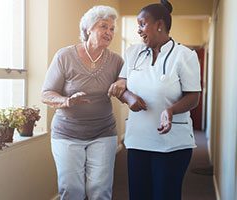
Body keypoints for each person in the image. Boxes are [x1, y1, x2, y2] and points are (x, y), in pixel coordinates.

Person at [108, 0, 201, 199]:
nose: (139, 31)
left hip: (172, 143)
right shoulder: (133, 52)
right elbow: (120, 85)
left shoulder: (185, 55)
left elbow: (193, 97)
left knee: (165, 195)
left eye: (142, 24)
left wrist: (171, 110)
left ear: (159, 25)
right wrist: (128, 97)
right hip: (138, 141)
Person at [41, 5, 124, 200]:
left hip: (103, 132)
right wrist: (67, 101)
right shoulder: (65, 56)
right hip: (67, 133)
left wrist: (122, 81)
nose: (109, 32)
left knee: (101, 190)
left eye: (112, 29)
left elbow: (126, 84)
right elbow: (46, 93)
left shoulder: (116, 61)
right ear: (88, 28)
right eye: (104, 26)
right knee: (71, 190)